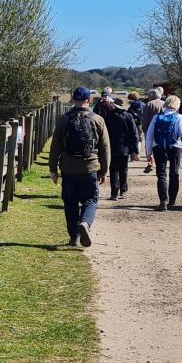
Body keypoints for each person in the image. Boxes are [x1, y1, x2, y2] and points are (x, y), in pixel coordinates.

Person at [48, 86, 111, 247]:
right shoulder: (97, 119)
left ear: (73, 100)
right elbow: (104, 147)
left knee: (70, 203)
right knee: (90, 200)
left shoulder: (63, 119)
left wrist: (53, 169)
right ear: (88, 100)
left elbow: (55, 146)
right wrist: (104, 170)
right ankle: (85, 223)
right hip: (90, 167)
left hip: (68, 168)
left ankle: (73, 237)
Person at [144, 94, 182, 210]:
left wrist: (148, 153)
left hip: (159, 147)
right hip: (175, 147)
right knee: (174, 172)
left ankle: (163, 200)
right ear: (177, 105)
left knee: (161, 174)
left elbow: (150, 136)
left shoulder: (157, 117)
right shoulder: (180, 117)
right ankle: (172, 200)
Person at [104, 96, 140, 200]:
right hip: (125, 147)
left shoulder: (109, 116)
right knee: (124, 170)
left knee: (113, 170)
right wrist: (135, 149)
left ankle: (114, 193)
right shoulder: (128, 116)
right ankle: (123, 191)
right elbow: (134, 133)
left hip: (112, 147)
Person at [140, 88, 165, 173]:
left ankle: (150, 163)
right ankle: (160, 165)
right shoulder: (164, 104)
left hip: (150, 129)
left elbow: (145, 118)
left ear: (151, 96)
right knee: (160, 147)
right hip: (162, 129)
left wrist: (143, 128)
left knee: (149, 147)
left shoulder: (149, 104)